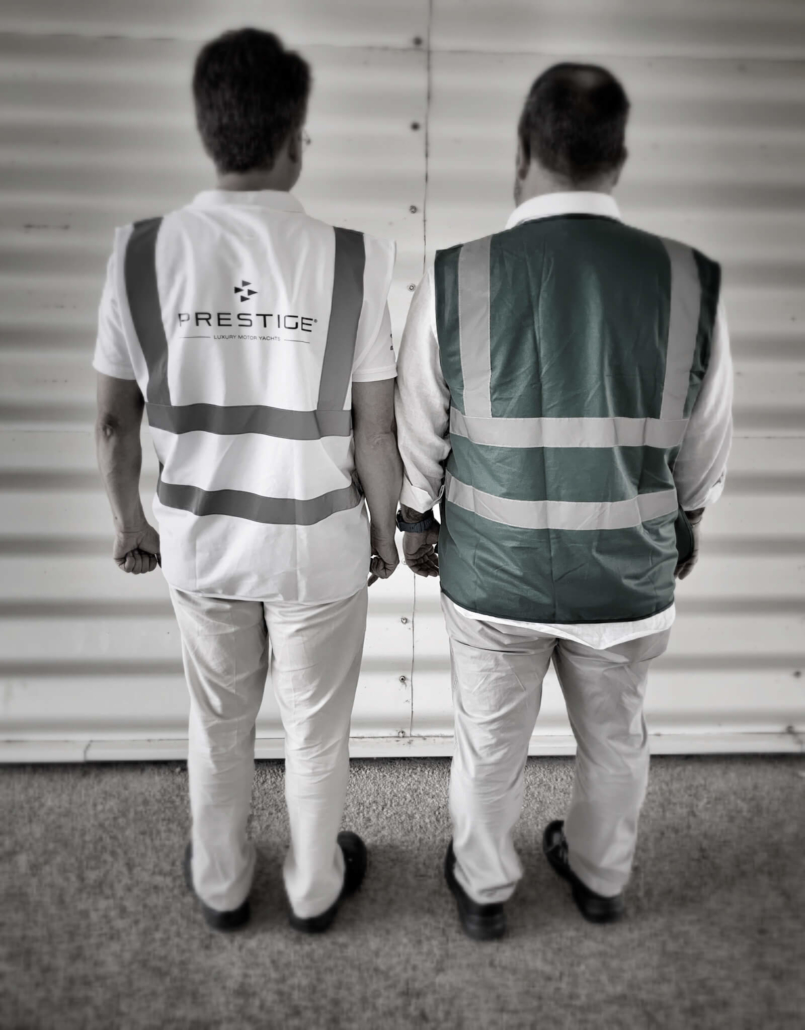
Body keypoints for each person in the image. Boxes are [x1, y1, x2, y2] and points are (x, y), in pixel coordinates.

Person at [394, 63, 733, 940]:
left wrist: (417, 515)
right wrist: (688, 518)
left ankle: (483, 891)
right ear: (618, 158)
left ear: (522, 151)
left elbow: (418, 422)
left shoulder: (460, 274)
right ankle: (599, 878)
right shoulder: (685, 279)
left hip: (492, 573)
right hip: (624, 577)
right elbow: (705, 434)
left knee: (488, 746)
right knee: (615, 741)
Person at [93, 28, 401, 933]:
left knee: (218, 723)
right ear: (295, 137)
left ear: (206, 131)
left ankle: (223, 885)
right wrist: (385, 529)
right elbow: (376, 428)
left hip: (202, 545)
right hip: (318, 549)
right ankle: (313, 890)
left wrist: (129, 521)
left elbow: (114, 421)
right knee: (316, 730)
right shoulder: (355, 258)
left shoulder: (138, 254)